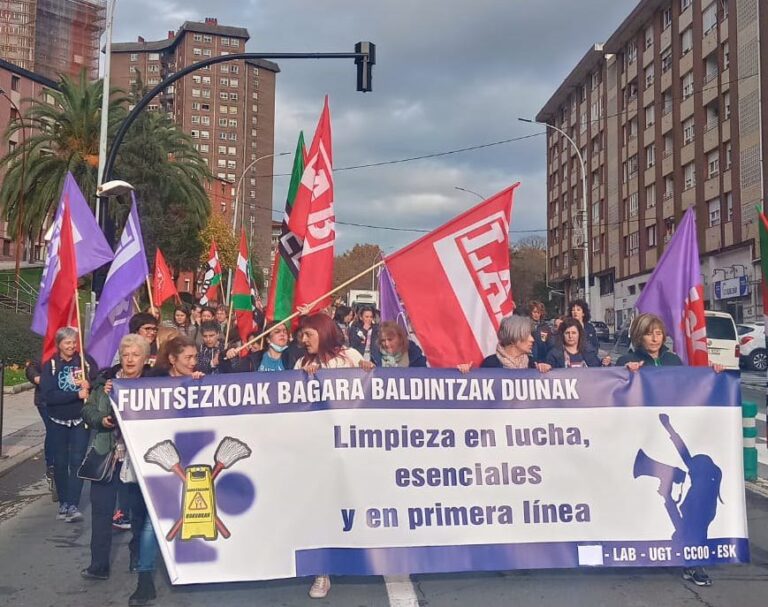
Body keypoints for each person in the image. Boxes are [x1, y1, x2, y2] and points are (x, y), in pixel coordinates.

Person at [129, 335, 203, 605]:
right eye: (188, 358)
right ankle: (145, 578)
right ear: (173, 359)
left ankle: (196, 568)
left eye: (195, 357)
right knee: (152, 521)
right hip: (158, 460)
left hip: (191, 458)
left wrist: (204, 387)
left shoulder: (199, 380)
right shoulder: (152, 384)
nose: (194, 362)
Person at [294, 313, 362, 598]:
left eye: (309, 334)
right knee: (319, 507)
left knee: (350, 504)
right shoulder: (302, 364)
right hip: (316, 448)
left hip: (349, 446)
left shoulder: (350, 357)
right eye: (301, 335)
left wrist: (368, 371)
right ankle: (322, 572)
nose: (303, 340)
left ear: (323, 332)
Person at [80, 334, 149, 581]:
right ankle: (98, 565)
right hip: (107, 457)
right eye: (126, 354)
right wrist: (103, 418)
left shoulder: (153, 384)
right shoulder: (105, 383)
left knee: (138, 513)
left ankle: (138, 556)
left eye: (135, 355)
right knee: (101, 513)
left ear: (145, 359)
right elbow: (87, 411)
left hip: (137, 460)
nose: (129, 360)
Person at [40, 327, 98, 522]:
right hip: (57, 421)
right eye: (67, 343)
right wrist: (75, 394)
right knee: (60, 462)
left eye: (74, 342)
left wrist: (90, 385)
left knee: (77, 461)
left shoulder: (84, 362)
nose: (71, 346)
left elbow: (98, 379)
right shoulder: (51, 366)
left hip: (80, 419)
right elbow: (48, 396)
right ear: (59, 345)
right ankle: (64, 501)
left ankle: (73, 503)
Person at [26, 358, 57, 501]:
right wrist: (36, 377)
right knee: (52, 430)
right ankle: (51, 468)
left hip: (70, 401)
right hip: (46, 401)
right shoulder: (46, 353)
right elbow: (31, 368)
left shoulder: (76, 355)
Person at [481, 316, 552, 372]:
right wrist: (469, 375)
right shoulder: (490, 364)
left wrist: (546, 371)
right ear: (513, 338)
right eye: (527, 335)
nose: (532, 339)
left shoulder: (533, 364)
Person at [616, 313, 682, 369]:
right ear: (639, 336)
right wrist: (626, 373)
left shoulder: (674, 360)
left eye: (658, 334)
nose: (655, 339)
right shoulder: (625, 362)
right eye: (649, 334)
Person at [545, 318, 611, 368]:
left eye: (574, 333)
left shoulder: (589, 352)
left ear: (579, 334)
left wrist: (605, 363)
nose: (570, 336)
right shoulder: (554, 354)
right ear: (562, 334)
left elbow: (599, 372)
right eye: (567, 333)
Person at [361, 321, 427, 369]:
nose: (386, 344)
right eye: (383, 340)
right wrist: (369, 368)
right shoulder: (376, 357)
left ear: (400, 338)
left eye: (390, 340)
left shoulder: (414, 355)